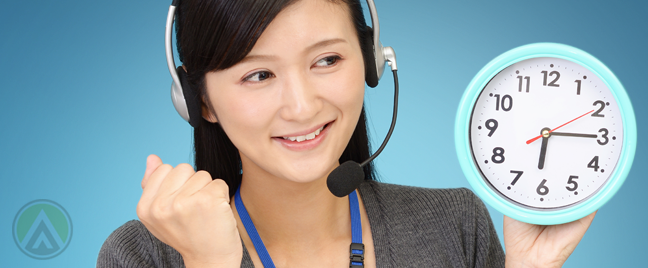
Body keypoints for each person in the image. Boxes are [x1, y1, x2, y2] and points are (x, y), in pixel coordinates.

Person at [97, 0, 596, 267]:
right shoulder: (144, 257)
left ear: (372, 61)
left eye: (327, 60)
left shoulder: (454, 226)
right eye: (258, 75)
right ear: (198, 98)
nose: (303, 105)